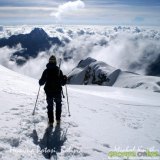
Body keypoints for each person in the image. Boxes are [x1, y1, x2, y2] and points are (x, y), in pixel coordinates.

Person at [39, 55, 67, 125]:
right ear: (55, 62)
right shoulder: (59, 71)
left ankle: (51, 121)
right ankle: (58, 120)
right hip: (57, 91)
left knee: (50, 106)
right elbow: (63, 83)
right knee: (58, 105)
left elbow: (41, 83)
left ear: (49, 61)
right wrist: (65, 79)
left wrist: (40, 81)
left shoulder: (46, 71)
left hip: (48, 92)